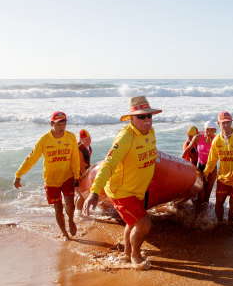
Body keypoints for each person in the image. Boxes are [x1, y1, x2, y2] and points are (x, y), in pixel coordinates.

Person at [83, 96, 162, 270]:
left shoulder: (150, 131)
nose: (147, 120)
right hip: (121, 191)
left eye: (149, 116)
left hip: (138, 190)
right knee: (144, 223)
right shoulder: (125, 138)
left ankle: (127, 253)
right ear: (132, 118)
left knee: (132, 223)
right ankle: (135, 255)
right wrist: (94, 192)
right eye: (142, 116)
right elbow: (108, 164)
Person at [14, 111, 80, 239]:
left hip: (67, 176)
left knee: (70, 205)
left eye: (64, 124)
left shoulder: (71, 137)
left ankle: (71, 220)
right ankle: (65, 234)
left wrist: (76, 176)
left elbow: (75, 158)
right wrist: (19, 174)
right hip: (51, 180)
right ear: (52, 124)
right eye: (59, 124)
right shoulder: (44, 140)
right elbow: (32, 157)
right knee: (58, 208)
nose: (62, 127)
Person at [183, 120, 218, 213]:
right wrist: (179, 162)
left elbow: (222, 155)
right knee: (201, 191)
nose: (209, 133)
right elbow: (188, 149)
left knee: (207, 193)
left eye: (211, 130)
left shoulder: (217, 140)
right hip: (200, 167)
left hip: (212, 169)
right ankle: (197, 213)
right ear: (204, 130)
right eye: (207, 130)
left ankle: (203, 216)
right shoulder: (198, 137)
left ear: (215, 131)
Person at [75, 129, 92, 211]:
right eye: (87, 139)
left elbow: (87, 162)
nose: (89, 141)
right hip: (75, 175)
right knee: (82, 196)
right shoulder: (79, 149)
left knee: (80, 195)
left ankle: (76, 211)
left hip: (82, 173)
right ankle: (78, 214)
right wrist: (85, 177)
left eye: (90, 138)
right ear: (81, 140)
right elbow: (80, 165)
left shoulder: (89, 148)